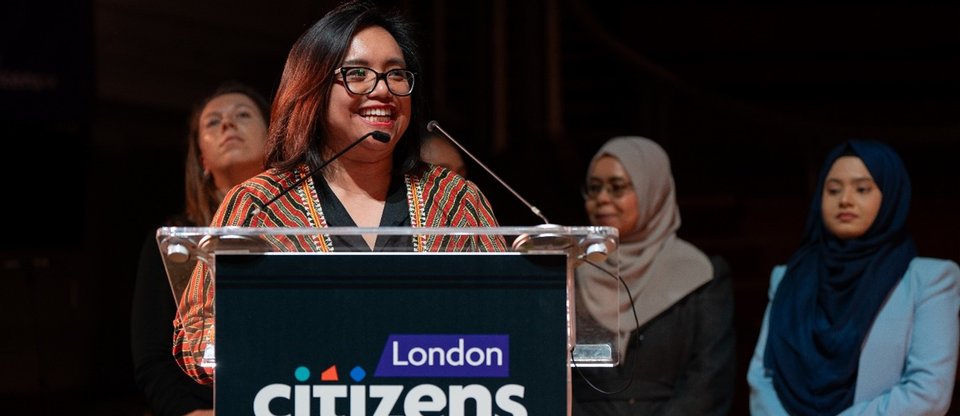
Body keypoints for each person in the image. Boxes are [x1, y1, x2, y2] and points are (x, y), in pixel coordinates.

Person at [174, 0, 505, 384]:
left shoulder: (453, 198)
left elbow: (506, 319)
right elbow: (196, 336)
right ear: (312, 86)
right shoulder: (260, 203)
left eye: (397, 75)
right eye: (357, 73)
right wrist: (293, 343)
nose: (382, 90)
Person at [748, 139, 960, 415]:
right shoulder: (789, 279)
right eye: (833, 189)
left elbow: (928, 390)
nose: (845, 200)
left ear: (890, 195)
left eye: (862, 189)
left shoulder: (929, 280)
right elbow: (763, 376)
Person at [130, 81, 270, 416]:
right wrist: (189, 412)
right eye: (212, 121)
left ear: (272, 139)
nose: (227, 124)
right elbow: (152, 358)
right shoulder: (170, 243)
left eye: (243, 114)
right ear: (202, 157)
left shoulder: (305, 231)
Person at [572, 137, 736, 415]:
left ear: (653, 190)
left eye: (617, 187)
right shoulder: (571, 273)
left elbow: (709, 380)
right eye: (594, 188)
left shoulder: (701, 275)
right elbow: (550, 371)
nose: (602, 199)